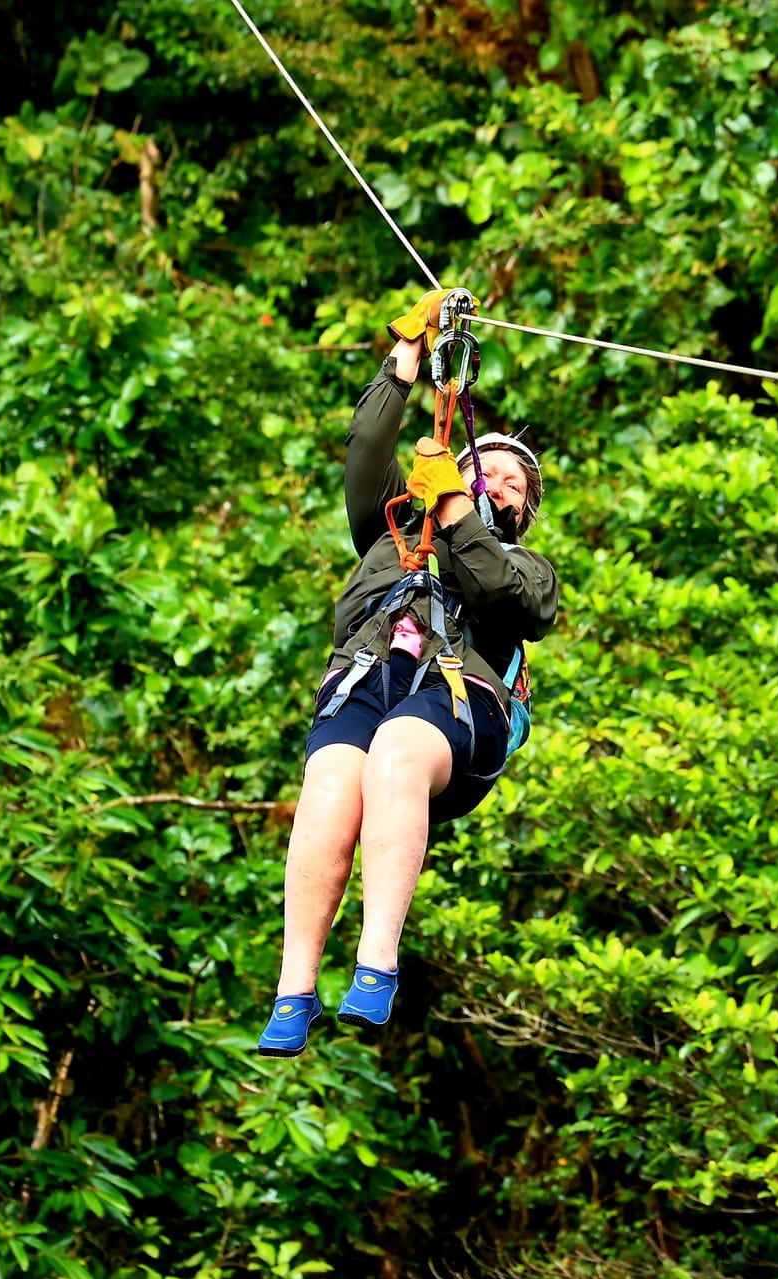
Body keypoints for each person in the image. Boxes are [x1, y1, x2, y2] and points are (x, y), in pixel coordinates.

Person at [259, 290, 559, 1058]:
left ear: (518, 514)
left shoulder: (527, 568)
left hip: (458, 700)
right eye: (480, 466)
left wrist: (460, 510)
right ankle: (295, 988)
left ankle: (376, 963)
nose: (496, 478)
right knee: (331, 780)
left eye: (511, 484)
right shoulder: (391, 525)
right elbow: (366, 449)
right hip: (369, 677)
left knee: (394, 751)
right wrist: (405, 362)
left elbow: (499, 593)